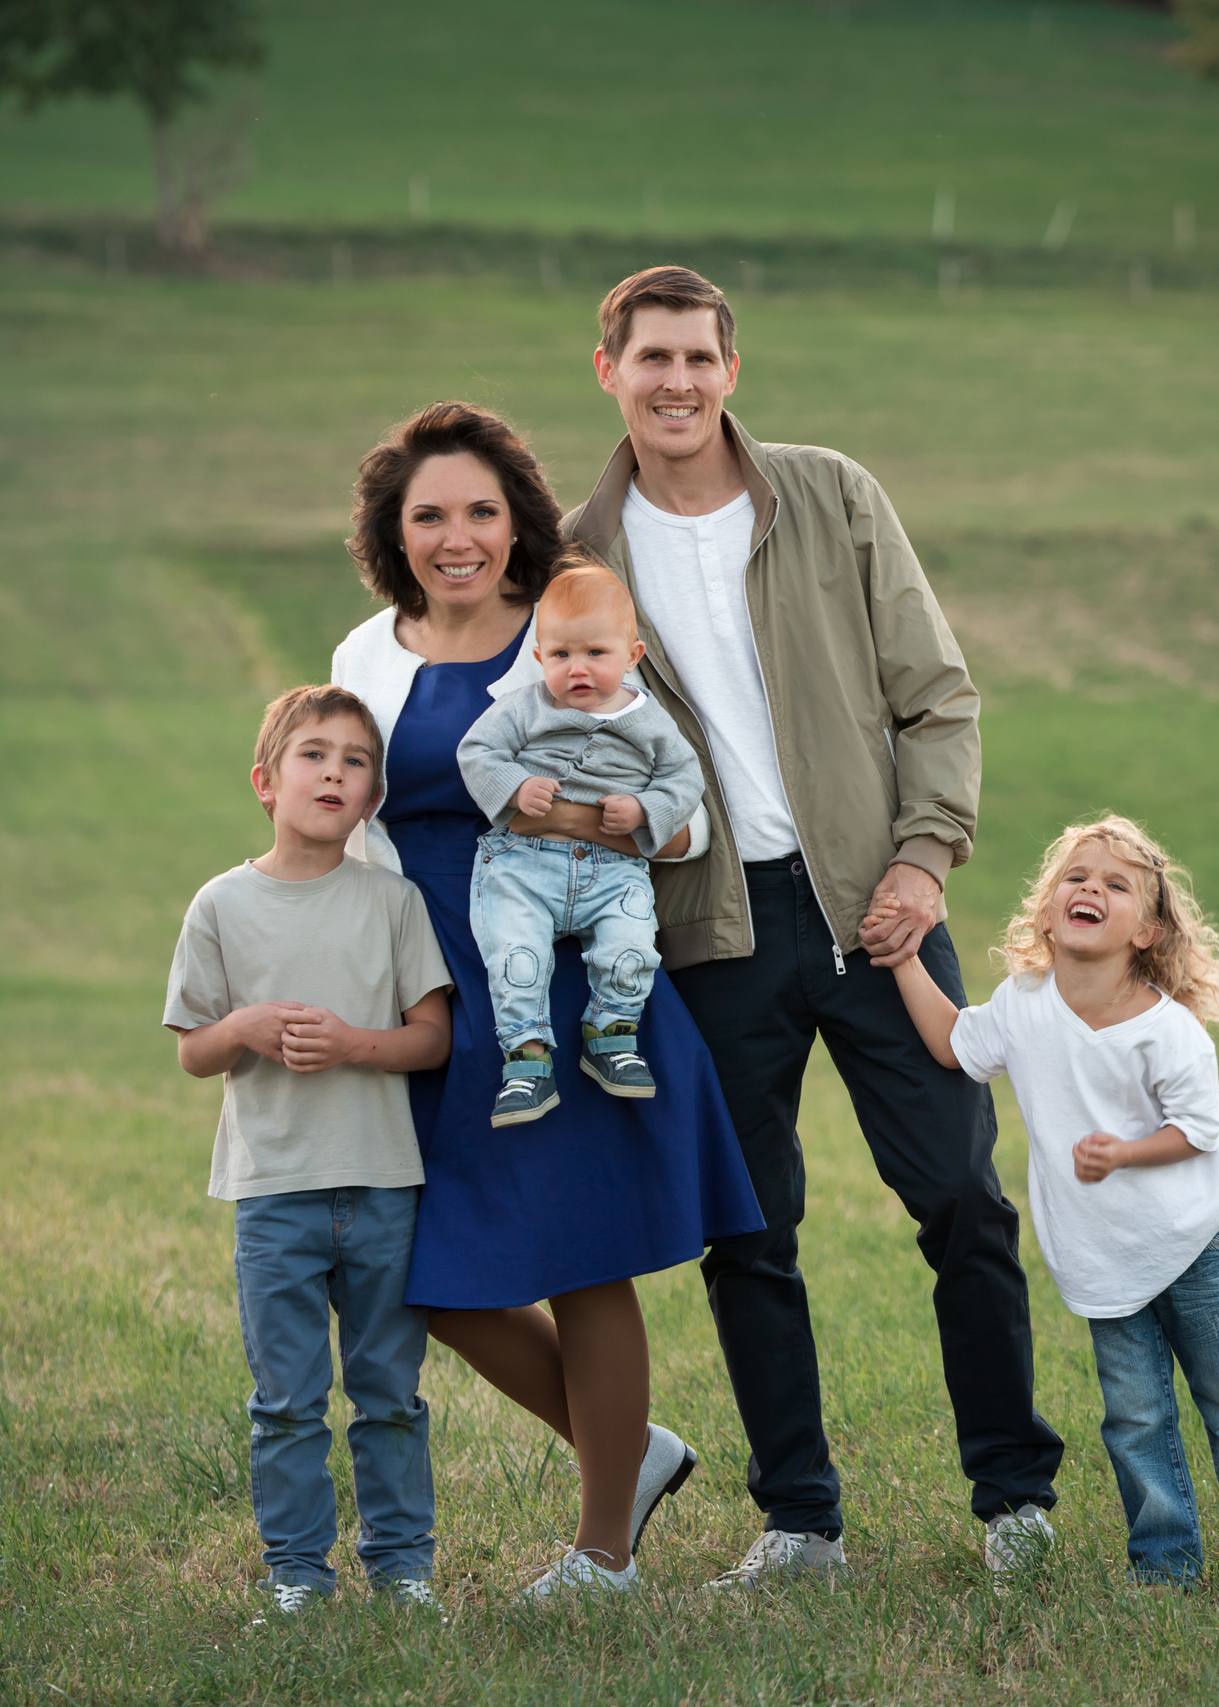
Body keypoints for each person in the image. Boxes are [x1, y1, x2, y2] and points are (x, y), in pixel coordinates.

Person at [559, 266, 1064, 1587]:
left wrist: (924, 859)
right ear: (608, 369)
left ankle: (1015, 1496)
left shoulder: (830, 493)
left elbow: (936, 694)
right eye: (652, 357)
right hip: (707, 932)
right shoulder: (576, 556)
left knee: (961, 1195)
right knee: (747, 1231)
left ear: (731, 370)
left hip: (873, 908)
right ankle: (799, 1521)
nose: (677, 382)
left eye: (698, 357)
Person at [329, 402, 762, 1599]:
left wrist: (581, 820)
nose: (456, 537)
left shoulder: (568, 633)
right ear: (394, 532)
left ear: (515, 519)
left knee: (582, 1258)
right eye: (429, 515)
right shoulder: (364, 656)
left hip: (562, 980)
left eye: (480, 510)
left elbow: (682, 813)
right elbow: (347, 823)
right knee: (413, 1268)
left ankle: (603, 1550)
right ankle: (633, 1452)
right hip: (428, 986)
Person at [882, 815, 1219, 1587]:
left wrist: (1124, 1153)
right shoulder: (1024, 1003)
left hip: (1189, 1237)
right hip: (1103, 1255)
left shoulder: (1167, 1030)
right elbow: (953, 1043)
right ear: (1047, 911)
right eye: (1076, 877)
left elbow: (1201, 1129)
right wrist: (906, 958)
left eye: (1116, 884)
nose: (1091, 889)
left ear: (1146, 930)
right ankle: (1165, 1562)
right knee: (1135, 1415)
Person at [161, 685, 457, 1616]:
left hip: (383, 1186)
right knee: (286, 1399)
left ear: (372, 796)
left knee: (389, 1394)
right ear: (266, 781)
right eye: (313, 755)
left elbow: (432, 1039)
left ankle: (403, 1569)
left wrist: (352, 1043)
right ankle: (297, 1573)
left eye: (355, 761)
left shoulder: (393, 902)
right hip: (274, 1192)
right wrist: (244, 1026)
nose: (334, 773)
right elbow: (193, 1050)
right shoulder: (221, 904)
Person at [457, 557, 704, 1124]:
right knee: (515, 955)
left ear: (632, 655)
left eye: (596, 653)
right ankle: (526, 1061)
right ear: (540, 658)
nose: (578, 669)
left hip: (613, 868)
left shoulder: (650, 720)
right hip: (522, 864)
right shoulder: (524, 708)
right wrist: (516, 787)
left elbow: (684, 778)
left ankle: (611, 1035)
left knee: (632, 947)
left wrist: (644, 809)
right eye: (561, 655)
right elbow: (477, 752)